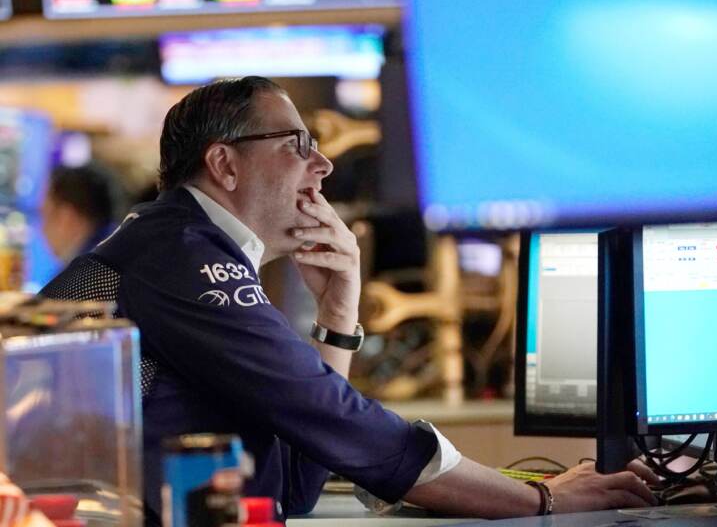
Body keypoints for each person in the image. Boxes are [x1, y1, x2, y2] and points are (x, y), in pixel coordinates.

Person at [41, 77, 657, 522]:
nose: (324, 164)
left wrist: (338, 314)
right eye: (297, 144)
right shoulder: (179, 253)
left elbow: (296, 485)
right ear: (224, 165)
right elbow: (343, 425)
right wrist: (542, 499)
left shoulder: (189, 246)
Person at [41, 164, 123, 264]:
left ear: (66, 219)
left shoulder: (86, 272)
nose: (43, 230)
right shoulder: (123, 250)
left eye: (44, 216)